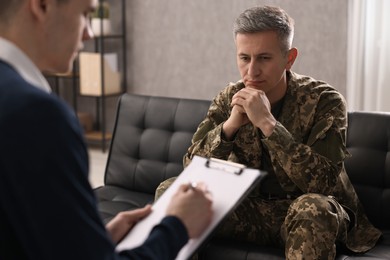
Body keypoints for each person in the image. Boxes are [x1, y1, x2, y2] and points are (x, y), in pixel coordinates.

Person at [156, 5, 382, 259]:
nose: (251, 71)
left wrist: (268, 124)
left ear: (289, 58)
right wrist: (229, 128)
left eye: (264, 58)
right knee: (172, 189)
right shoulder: (229, 98)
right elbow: (191, 169)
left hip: (306, 214)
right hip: (250, 210)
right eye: (244, 58)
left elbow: (323, 183)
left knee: (312, 208)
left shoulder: (325, 101)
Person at [0, 0, 213, 259]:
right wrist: (177, 226)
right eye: (85, 14)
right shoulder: (39, 115)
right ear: (42, 5)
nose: (89, 32)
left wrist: (95, 240)